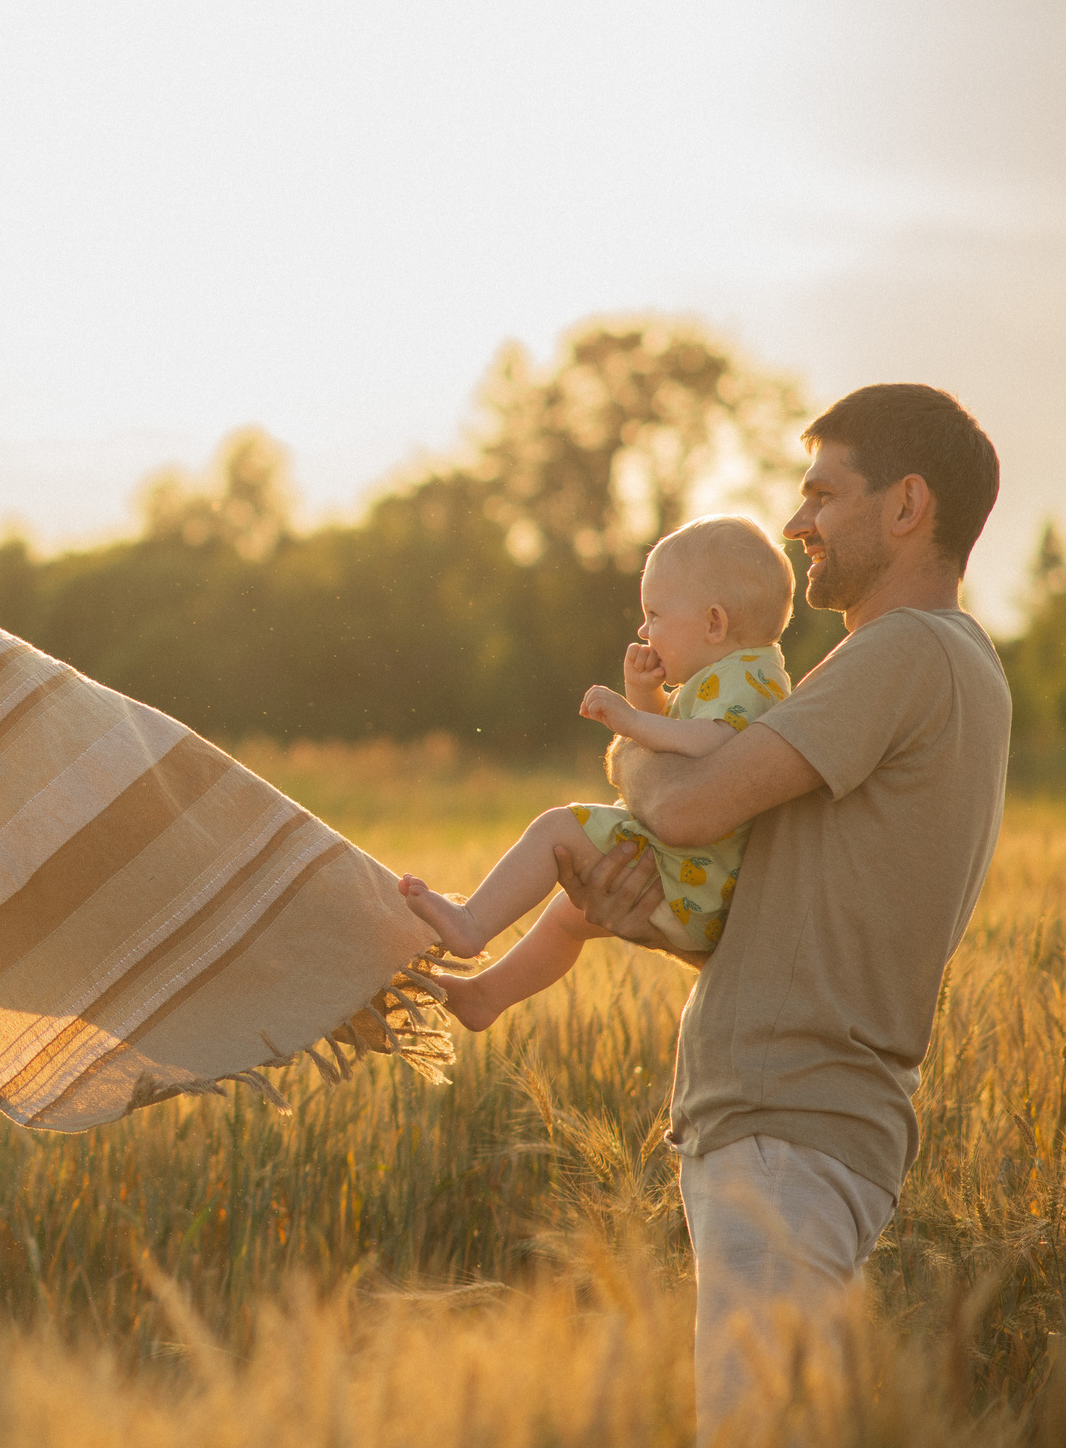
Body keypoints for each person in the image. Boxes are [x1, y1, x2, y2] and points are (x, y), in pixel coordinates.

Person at [551, 384, 1009, 1443]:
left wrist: (632, 744)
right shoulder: (940, 665)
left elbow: (692, 806)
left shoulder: (905, 652)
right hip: (796, 1127)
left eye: (821, 493)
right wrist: (651, 918)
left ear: (905, 506)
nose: (796, 521)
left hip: (789, 1132)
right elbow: (801, 900)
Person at [397, 515, 796, 1029]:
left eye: (654, 614)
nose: (643, 629)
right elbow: (676, 742)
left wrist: (630, 721)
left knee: (556, 827)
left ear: (714, 624)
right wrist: (644, 696)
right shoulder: (733, 673)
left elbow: (715, 742)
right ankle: (485, 996)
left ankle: (472, 924)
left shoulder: (750, 678)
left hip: (693, 875)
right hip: (696, 880)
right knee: (569, 916)